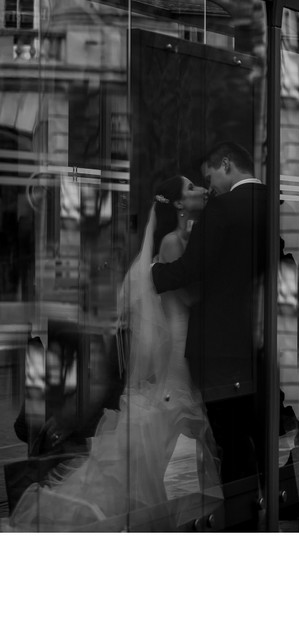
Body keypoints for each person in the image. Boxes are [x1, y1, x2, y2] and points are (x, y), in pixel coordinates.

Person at [2, 175, 221, 531]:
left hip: (77, 383)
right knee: (84, 470)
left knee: (117, 463)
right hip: (72, 385)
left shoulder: (87, 257)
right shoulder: (78, 261)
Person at [151, 142, 267, 501]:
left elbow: (193, 269)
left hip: (218, 345)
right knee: (260, 434)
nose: (209, 186)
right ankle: (279, 509)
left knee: (230, 443)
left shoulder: (223, 208)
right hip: (256, 343)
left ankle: (240, 523)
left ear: (227, 165)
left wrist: (150, 275)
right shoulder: (276, 205)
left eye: (210, 176)